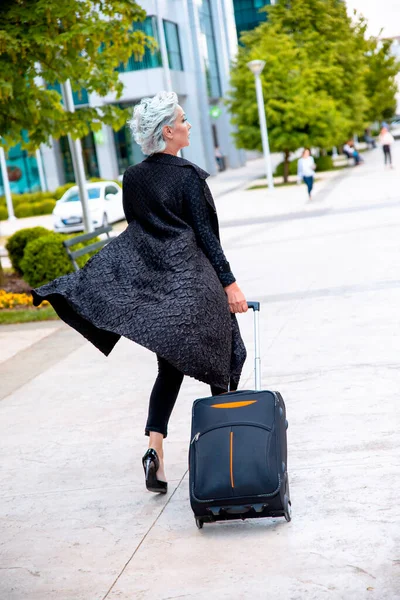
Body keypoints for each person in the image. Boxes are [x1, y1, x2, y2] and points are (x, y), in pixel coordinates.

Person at [31, 91, 248, 494]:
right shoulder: (188, 177)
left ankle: (155, 451)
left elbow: (140, 233)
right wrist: (230, 283)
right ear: (168, 131)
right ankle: (224, 458)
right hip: (195, 286)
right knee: (227, 357)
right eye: (182, 120)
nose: (187, 125)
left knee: (170, 369)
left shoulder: (133, 177)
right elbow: (207, 238)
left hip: (163, 293)